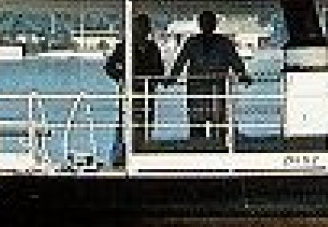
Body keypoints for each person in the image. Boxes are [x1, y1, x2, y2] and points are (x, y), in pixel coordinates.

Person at [167, 10, 252, 139]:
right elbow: (180, 62)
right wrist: (172, 79)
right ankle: (197, 148)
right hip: (197, 90)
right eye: (204, 22)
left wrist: (242, 75)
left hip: (217, 89)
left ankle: (219, 147)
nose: (207, 25)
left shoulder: (224, 42)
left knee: (218, 124)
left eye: (209, 22)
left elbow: (235, 61)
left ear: (214, 24)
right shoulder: (192, 42)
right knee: (196, 125)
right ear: (200, 24)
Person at [104, 12, 166, 161]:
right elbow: (109, 67)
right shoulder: (124, 46)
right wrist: (122, 77)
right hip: (130, 92)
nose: (143, 31)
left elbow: (160, 70)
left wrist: (154, 80)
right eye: (140, 27)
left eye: (145, 27)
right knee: (125, 122)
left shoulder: (153, 48)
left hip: (148, 92)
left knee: (146, 122)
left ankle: (143, 151)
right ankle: (120, 154)